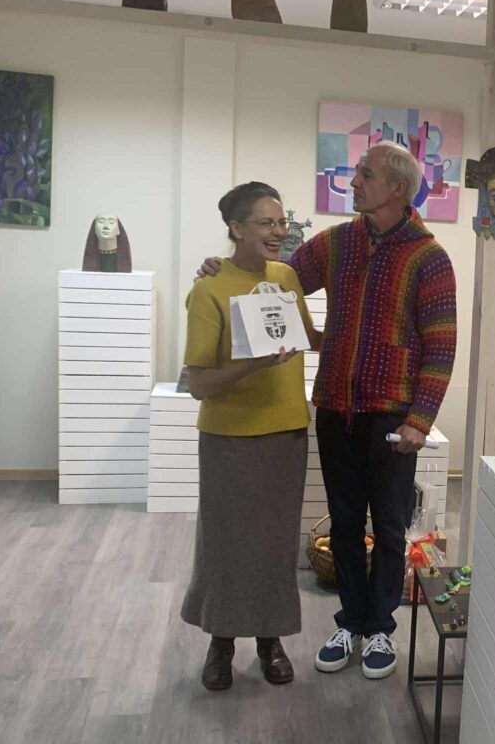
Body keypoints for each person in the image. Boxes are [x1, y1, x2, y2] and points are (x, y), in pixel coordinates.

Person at [198, 142, 457, 680]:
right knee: (344, 524)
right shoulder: (338, 243)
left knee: (390, 527)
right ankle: (351, 622)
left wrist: (420, 419)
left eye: (366, 174)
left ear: (397, 188)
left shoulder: (429, 258)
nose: (354, 181)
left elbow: (441, 345)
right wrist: (224, 267)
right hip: (336, 407)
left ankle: (380, 628)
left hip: (392, 417)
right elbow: (275, 278)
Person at [181, 182, 320, 691]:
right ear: (236, 229)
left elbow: (309, 338)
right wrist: (254, 364)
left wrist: (367, 331)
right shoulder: (209, 288)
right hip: (229, 437)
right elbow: (199, 384)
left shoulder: (286, 277)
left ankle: (270, 639)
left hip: (287, 432)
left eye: (281, 222)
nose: (278, 231)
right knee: (225, 543)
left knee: (275, 546)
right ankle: (221, 642)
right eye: (266, 223)